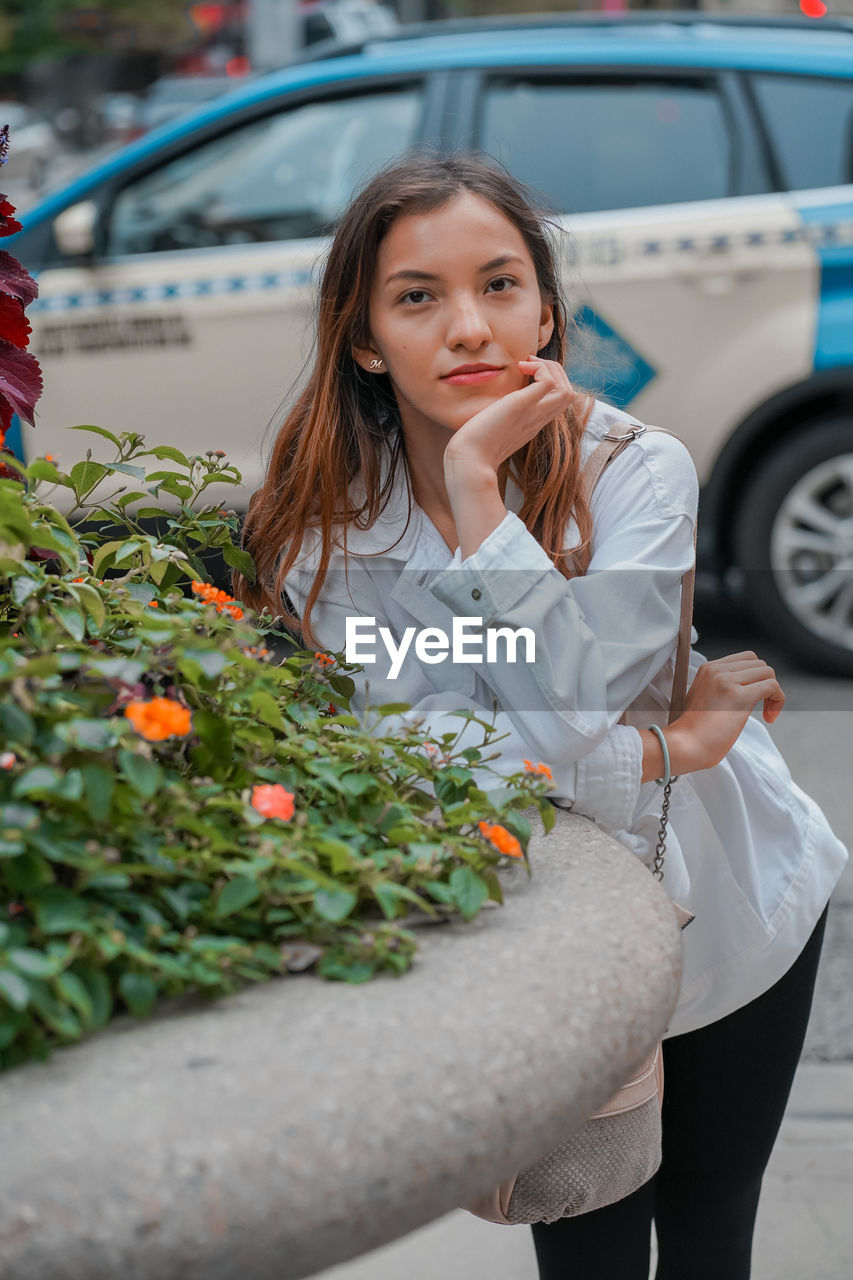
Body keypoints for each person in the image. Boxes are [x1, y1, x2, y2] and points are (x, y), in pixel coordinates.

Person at [232, 154, 848, 1279]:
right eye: (418, 296)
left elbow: (550, 725)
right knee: (586, 1243)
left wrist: (476, 491)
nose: (468, 326)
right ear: (364, 336)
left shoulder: (637, 473)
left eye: (501, 285)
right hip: (540, 929)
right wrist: (667, 746)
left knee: (712, 1233)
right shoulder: (323, 526)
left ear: (549, 312)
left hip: (728, 897)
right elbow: (407, 761)